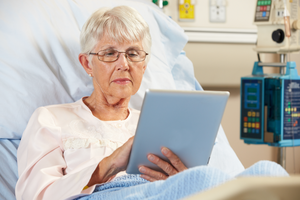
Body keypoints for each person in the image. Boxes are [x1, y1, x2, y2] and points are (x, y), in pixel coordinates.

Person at [16, 5, 278, 200]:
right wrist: (108, 165)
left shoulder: (157, 123)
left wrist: (180, 179)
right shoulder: (51, 118)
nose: (124, 64)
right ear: (87, 64)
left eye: (133, 53)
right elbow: (33, 194)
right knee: (206, 180)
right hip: (100, 194)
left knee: (269, 172)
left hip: (164, 191)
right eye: (109, 54)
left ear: (144, 64)